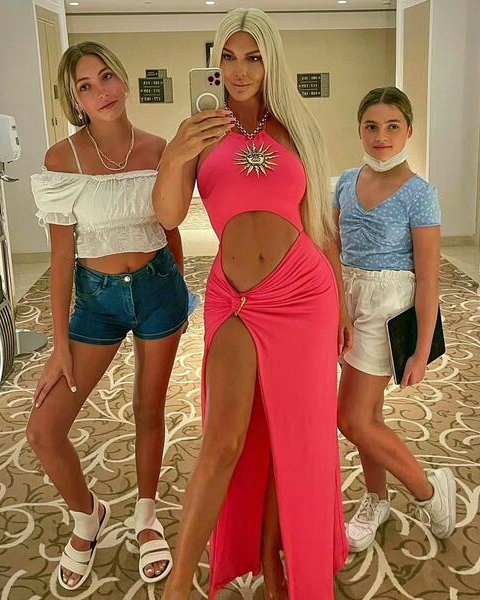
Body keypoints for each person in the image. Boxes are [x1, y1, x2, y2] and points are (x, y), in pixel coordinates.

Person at [153, 8, 350, 600]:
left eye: (254, 57)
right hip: (235, 299)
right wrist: (176, 153)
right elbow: (168, 215)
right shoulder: (199, 131)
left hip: (306, 294)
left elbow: (322, 225)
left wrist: (341, 303)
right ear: (216, 62)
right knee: (223, 442)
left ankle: (273, 557)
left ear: (271, 62)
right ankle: (179, 586)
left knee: (293, 436)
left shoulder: (296, 127)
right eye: (229, 57)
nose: (240, 71)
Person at [27, 41, 191, 590]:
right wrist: (58, 345)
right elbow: (60, 260)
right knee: (44, 429)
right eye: (86, 86)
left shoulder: (159, 149)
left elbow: (170, 229)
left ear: (122, 78)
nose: (101, 91)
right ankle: (87, 516)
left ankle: (146, 513)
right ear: (74, 100)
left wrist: (181, 290)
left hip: (158, 288)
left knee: (149, 407)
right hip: (96, 300)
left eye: (106, 76)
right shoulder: (61, 160)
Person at [334, 86, 456, 553]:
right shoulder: (345, 182)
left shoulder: (420, 195)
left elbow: (428, 278)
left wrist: (422, 350)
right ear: (359, 130)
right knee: (369, 414)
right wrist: (338, 307)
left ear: (409, 131)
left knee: (351, 419)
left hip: (387, 308)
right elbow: (332, 248)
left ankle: (427, 490)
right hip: (348, 300)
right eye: (371, 126)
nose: (381, 136)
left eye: (392, 126)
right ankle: (376, 497)